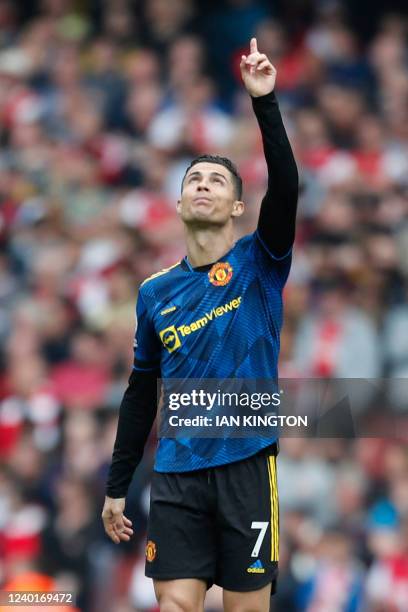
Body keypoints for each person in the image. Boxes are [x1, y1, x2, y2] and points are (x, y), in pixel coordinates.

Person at [102, 38, 298, 612]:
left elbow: (285, 188)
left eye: (217, 180)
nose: (204, 185)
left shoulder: (259, 264)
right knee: (175, 606)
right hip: (178, 472)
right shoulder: (154, 293)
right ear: (181, 202)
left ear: (238, 207)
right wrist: (117, 485)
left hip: (246, 465)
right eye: (195, 180)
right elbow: (141, 394)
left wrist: (264, 102)